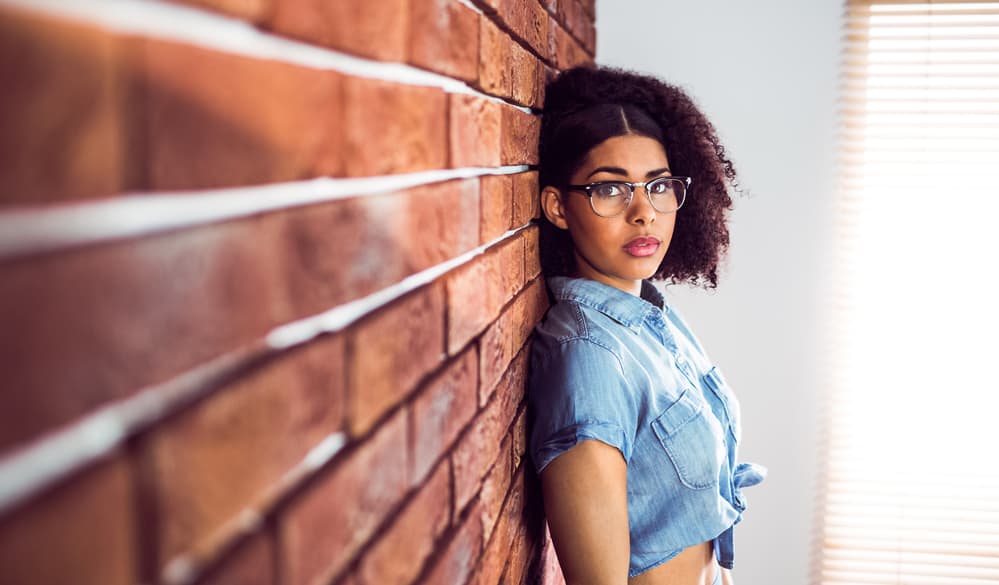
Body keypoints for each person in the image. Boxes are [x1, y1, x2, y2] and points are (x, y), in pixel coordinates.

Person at [528, 65, 766, 585]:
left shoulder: (655, 322)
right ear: (558, 207)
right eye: (609, 189)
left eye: (658, 185)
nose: (644, 212)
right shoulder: (588, 356)